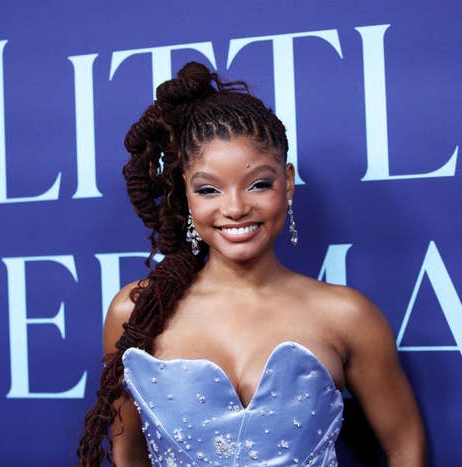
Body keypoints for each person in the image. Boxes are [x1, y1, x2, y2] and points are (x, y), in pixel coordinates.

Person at [78, 62, 425, 466]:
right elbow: (127, 454)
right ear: (186, 196)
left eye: (259, 183)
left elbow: (406, 448)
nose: (236, 208)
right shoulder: (136, 313)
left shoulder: (348, 317)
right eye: (209, 189)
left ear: (288, 182)